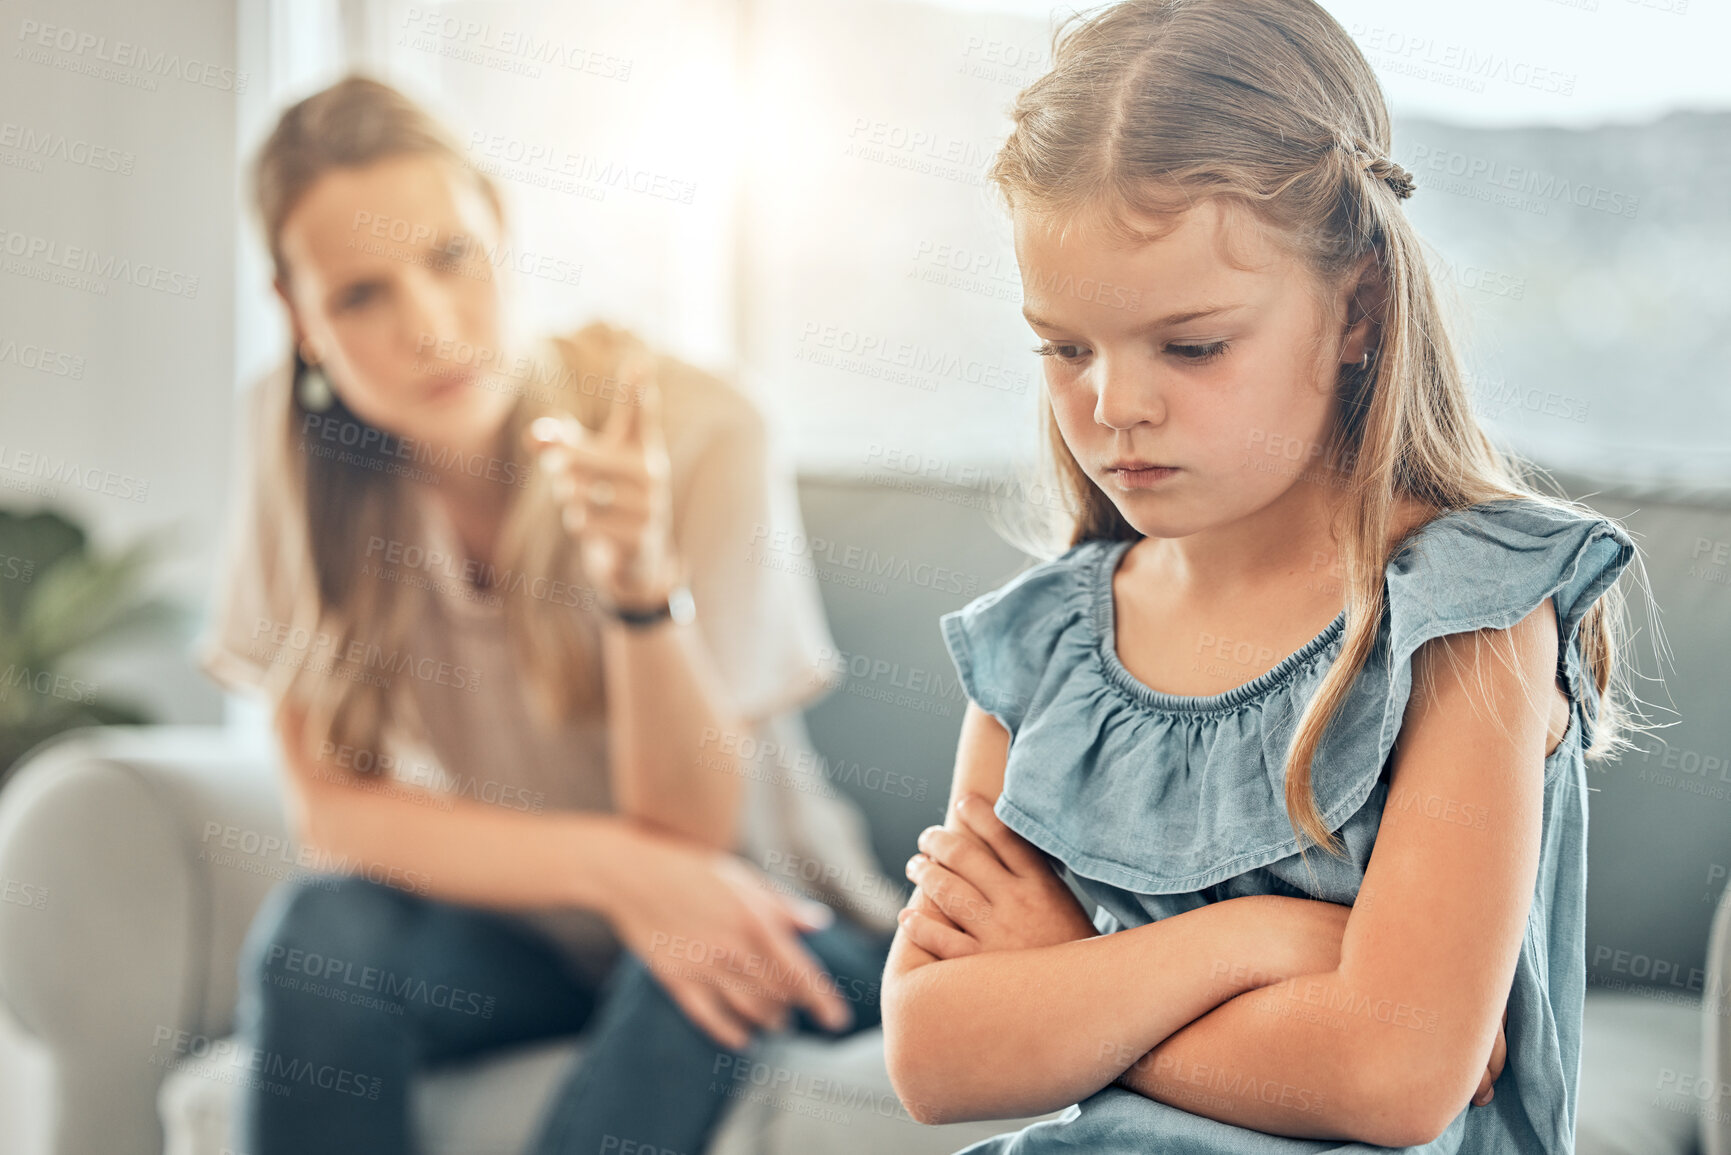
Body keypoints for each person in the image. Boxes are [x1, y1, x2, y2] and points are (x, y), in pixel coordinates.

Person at [880, 2, 1648, 1152]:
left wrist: (1067, 986)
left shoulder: (1466, 611)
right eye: (1065, 347)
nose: (1114, 405)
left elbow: (1390, 1077)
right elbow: (937, 1057)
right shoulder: (1042, 645)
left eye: (1191, 347)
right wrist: (1258, 946)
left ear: (1358, 309)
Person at [197, 75, 898, 1155]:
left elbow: (693, 840)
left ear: (504, 235)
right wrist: (614, 874)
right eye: (360, 296)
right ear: (297, 318)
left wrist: (637, 586)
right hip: (536, 945)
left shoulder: (699, 426)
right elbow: (334, 814)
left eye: (449, 259)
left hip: (770, 913)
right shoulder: (290, 443)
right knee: (320, 929)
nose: (429, 329)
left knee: (697, 959)